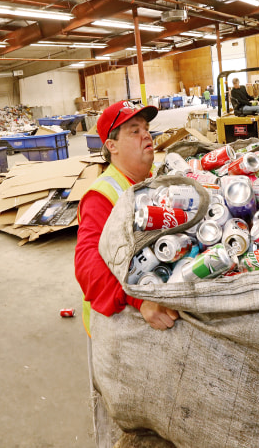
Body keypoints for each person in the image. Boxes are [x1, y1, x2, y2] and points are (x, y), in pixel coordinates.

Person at [74, 101, 178, 448]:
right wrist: (137, 298)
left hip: (141, 329)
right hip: (113, 330)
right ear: (111, 145)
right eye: (135, 131)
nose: (147, 136)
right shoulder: (103, 195)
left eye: (146, 129)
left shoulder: (148, 185)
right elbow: (87, 266)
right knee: (118, 423)